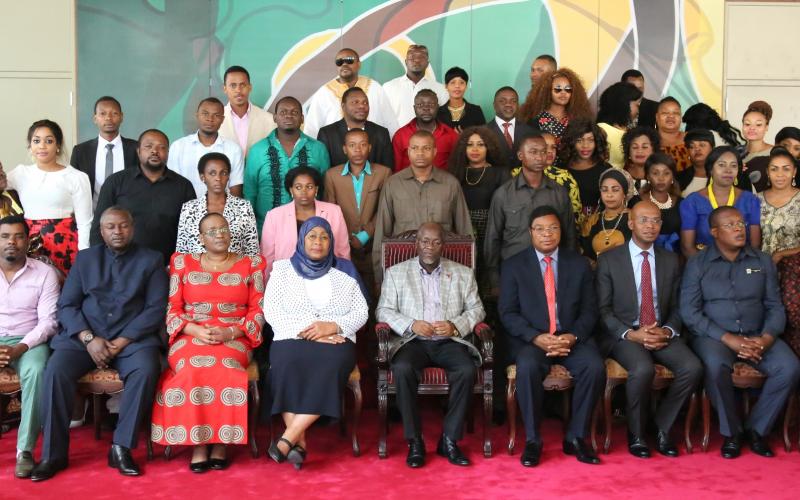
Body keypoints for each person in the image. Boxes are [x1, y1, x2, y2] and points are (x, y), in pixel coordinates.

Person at [31, 207, 167, 481]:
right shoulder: (86, 259)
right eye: (110, 227)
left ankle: (121, 447)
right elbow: (67, 305)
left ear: (132, 227)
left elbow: (155, 308)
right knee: (55, 371)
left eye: (123, 225)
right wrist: (88, 338)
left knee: (146, 368)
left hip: (131, 339)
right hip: (85, 338)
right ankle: (53, 454)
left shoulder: (151, 260)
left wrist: (122, 341)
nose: (118, 231)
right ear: (101, 231)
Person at [680, 206, 800, 459]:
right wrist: (728, 338)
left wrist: (767, 338)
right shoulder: (698, 263)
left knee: (789, 368)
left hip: (758, 334)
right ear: (714, 232)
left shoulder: (762, 260)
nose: (739, 229)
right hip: (714, 337)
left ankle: (757, 429)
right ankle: (732, 432)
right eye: (730, 225)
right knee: (715, 366)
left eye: (741, 223)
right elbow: (689, 312)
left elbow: (775, 306)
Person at [151, 213, 265, 472]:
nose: (219, 234)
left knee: (225, 367)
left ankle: (221, 442)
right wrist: (193, 329)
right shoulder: (183, 263)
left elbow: (257, 310)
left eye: (223, 229)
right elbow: (172, 309)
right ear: (201, 238)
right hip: (191, 334)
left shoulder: (251, 264)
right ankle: (199, 443)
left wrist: (231, 333)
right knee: (193, 368)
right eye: (211, 231)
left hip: (235, 336)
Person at [499, 206, 604, 467]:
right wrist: (536, 337)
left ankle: (576, 437)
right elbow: (508, 313)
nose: (547, 234)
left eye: (553, 228)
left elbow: (590, 310)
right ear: (530, 232)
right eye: (540, 229)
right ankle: (533, 440)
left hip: (570, 339)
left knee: (594, 366)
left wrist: (573, 336)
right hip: (533, 340)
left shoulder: (578, 264)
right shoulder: (513, 265)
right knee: (527, 366)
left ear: (561, 231)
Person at [597, 201, 702, 458]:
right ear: (631, 223)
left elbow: (678, 306)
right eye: (644, 220)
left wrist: (667, 330)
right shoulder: (609, 260)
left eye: (656, 220)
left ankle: (662, 426)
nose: (650, 226)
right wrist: (631, 334)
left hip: (659, 330)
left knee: (692, 367)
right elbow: (603, 310)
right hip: (625, 333)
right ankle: (637, 434)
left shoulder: (671, 260)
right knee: (642, 368)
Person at [376, 222, 486, 468]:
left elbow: (478, 309)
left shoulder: (462, 273)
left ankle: (449, 440)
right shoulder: (396, 273)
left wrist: (455, 325)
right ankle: (415, 441)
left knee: (466, 370)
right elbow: (382, 310)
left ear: (443, 245)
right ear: (417, 243)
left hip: (448, 341)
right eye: (425, 241)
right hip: (413, 341)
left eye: (436, 242)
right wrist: (411, 324)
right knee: (402, 368)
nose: (430, 247)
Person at [264, 217, 367, 469]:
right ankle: (298, 442)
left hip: (336, 340)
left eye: (324, 237)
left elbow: (361, 312)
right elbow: (272, 312)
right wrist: (313, 332)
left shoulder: (345, 271)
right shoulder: (282, 270)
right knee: (285, 363)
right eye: (312, 236)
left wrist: (333, 326)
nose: (318, 242)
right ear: (302, 239)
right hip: (291, 336)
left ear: (331, 241)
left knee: (331, 365)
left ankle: (288, 437)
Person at [0, 215, 60, 478]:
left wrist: (20, 348)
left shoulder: (44, 273)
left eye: (18, 236)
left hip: (29, 341)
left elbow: (49, 322)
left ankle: (24, 451)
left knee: (37, 371)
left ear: (28, 240)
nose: (11, 242)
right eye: (4, 236)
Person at [372, 130, 472, 280]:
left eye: (426, 148)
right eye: (415, 148)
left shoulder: (450, 184)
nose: (420, 153)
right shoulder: (393, 184)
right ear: (408, 151)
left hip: (444, 263)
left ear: (435, 151)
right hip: (402, 262)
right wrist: (379, 276)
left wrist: (468, 271)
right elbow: (382, 231)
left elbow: (465, 232)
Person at [92, 129, 196, 265]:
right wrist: (100, 264)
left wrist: (181, 266)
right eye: (148, 146)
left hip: (167, 265)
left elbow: (192, 233)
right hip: (121, 264)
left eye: (161, 147)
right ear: (138, 151)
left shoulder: (183, 186)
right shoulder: (116, 182)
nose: (155, 151)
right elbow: (99, 226)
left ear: (168, 152)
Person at [485, 135, 575, 291]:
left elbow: (569, 236)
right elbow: (493, 238)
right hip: (514, 271)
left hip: (551, 271)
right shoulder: (503, 194)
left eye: (543, 152)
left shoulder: (558, 193)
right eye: (533, 152)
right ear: (521, 155)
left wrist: (569, 272)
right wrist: (494, 279)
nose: (539, 157)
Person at [7, 120, 92, 275]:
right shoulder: (20, 173)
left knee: (64, 287)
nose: (42, 146)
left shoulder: (77, 177)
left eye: (49, 141)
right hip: (28, 244)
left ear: (58, 145)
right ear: (30, 146)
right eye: (36, 141)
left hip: (65, 244)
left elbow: (85, 222)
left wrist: (84, 255)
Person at [244, 96, 330, 234]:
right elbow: (250, 192)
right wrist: (251, 232)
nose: (288, 115)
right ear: (275, 118)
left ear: (302, 118)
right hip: (266, 229)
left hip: (310, 231)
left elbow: (326, 190)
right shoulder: (257, 150)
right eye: (283, 112)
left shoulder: (318, 149)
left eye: (294, 112)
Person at [324, 129, 392, 297]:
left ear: (369, 147)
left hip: (373, 243)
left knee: (374, 292)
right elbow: (331, 211)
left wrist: (364, 235)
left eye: (363, 145)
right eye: (352, 145)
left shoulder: (383, 173)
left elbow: (384, 209)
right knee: (346, 292)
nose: (358, 150)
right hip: (343, 244)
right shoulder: (332, 175)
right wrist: (347, 237)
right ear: (344, 149)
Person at [446, 126, 509, 290]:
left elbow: (506, 208)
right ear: (463, 148)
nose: (475, 149)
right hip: (462, 230)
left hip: (492, 230)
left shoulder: (500, 173)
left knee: (490, 278)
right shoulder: (455, 173)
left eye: (480, 144)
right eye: (470, 145)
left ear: (489, 147)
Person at [261, 166, 350, 280]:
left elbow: (343, 252)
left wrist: (343, 280)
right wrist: (267, 286)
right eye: (298, 187)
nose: (304, 191)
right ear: (291, 190)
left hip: (328, 278)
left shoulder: (334, 212)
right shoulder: (274, 216)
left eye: (309, 187)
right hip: (286, 279)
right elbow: (267, 257)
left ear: (316, 189)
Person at [680, 146, 761, 258]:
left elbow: (755, 245)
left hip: (742, 263)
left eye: (733, 166)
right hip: (704, 264)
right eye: (721, 165)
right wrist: (707, 267)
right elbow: (687, 247)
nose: (728, 170)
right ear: (710, 169)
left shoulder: (751, 200)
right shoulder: (692, 202)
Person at [757, 148, 800, 356]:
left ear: (794, 172)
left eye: (786, 169)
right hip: (762, 269)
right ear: (767, 172)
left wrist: (783, 254)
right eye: (774, 169)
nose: (780, 174)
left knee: (792, 313)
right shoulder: (755, 200)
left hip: (795, 271)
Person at [175, 152, 258, 256]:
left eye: (223, 173)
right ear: (202, 177)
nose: (218, 178)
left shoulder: (243, 207)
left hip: (235, 266)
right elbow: (182, 250)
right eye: (212, 173)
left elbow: (252, 250)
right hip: (197, 266)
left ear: (228, 176)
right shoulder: (189, 209)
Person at [303, 48, 398, 139]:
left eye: (349, 60)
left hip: (373, 145)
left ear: (359, 64)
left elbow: (389, 121)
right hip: (334, 147)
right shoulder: (324, 92)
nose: (344, 64)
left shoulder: (374, 87)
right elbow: (312, 129)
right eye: (339, 62)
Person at [168, 97, 244, 197]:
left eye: (216, 115)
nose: (210, 119)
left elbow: (235, 189)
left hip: (222, 207)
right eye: (205, 114)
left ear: (222, 119)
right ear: (197, 115)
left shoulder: (234, 150)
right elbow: (172, 186)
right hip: (185, 206)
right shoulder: (178, 146)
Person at [70, 96, 139, 201]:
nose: (108, 118)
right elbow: (72, 185)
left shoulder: (137, 149)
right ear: (95, 119)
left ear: (121, 117)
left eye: (114, 113)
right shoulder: (80, 151)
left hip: (128, 210)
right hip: (92, 210)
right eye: (103, 113)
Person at [316, 86, 394, 168]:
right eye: (355, 102)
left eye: (365, 103)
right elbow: (323, 170)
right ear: (343, 106)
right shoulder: (327, 134)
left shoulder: (381, 133)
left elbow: (388, 170)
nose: (362, 106)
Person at [392, 89, 459, 171]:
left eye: (431, 104)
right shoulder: (400, 135)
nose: (426, 108)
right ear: (414, 108)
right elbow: (396, 170)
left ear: (437, 107)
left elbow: (457, 168)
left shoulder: (451, 135)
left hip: (442, 179)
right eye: (420, 105)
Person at [518, 68, 593, 141]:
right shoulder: (535, 119)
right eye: (558, 89)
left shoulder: (578, 118)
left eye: (568, 89)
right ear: (547, 91)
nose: (563, 93)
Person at [219, 65, 276, 158]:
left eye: (242, 85)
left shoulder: (269, 120)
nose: (238, 90)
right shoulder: (216, 119)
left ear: (250, 87)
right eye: (233, 85)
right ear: (225, 89)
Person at [383, 44, 448, 126]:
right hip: (396, 134)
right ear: (406, 62)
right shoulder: (388, 87)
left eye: (421, 57)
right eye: (412, 57)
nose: (417, 60)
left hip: (429, 134)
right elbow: (382, 117)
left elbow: (443, 120)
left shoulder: (440, 89)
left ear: (428, 63)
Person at [580, 168, 634, 262]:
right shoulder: (592, 221)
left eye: (615, 190)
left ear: (625, 193)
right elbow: (585, 253)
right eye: (604, 190)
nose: (609, 195)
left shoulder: (633, 217)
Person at [634, 153, 683, 252]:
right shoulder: (636, 202)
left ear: (672, 177)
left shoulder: (682, 203)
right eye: (655, 173)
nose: (661, 178)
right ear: (648, 176)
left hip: (675, 256)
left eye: (666, 173)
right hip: (644, 254)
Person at [562, 121, 612, 216]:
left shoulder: (605, 169)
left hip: (596, 222)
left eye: (590, 140)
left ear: (597, 142)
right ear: (571, 142)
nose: (585, 145)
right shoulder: (561, 169)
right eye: (579, 140)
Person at [486, 87, 536, 168]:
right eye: (502, 101)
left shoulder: (530, 131)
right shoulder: (483, 132)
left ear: (518, 105)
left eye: (513, 101)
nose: (508, 104)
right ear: (494, 105)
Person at [597, 82, 643, 168]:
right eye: (637, 105)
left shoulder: (629, 131)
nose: (638, 111)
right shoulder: (601, 130)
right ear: (624, 104)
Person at [437, 67, 486, 133]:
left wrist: (464, 136)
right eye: (453, 82)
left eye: (461, 83)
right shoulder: (438, 112)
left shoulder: (476, 111)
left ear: (466, 86)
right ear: (446, 86)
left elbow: (484, 135)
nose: (457, 86)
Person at [741, 100, 774, 192]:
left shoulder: (776, 153)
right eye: (747, 124)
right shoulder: (735, 152)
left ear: (766, 127)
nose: (752, 128)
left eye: (758, 124)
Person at [622, 126, 660, 196]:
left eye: (644, 147)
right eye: (635, 147)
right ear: (628, 153)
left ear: (654, 151)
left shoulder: (662, 176)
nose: (639, 151)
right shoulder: (621, 175)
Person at [656, 97, 691, 172]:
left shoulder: (692, 138)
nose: (671, 116)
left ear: (681, 117)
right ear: (657, 117)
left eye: (676, 113)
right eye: (665, 113)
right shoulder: (648, 141)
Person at [677, 129, 714, 196]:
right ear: (688, 151)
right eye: (692, 146)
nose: (697, 149)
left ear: (712, 148)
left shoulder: (723, 175)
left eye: (702, 145)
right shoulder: (679, 177)